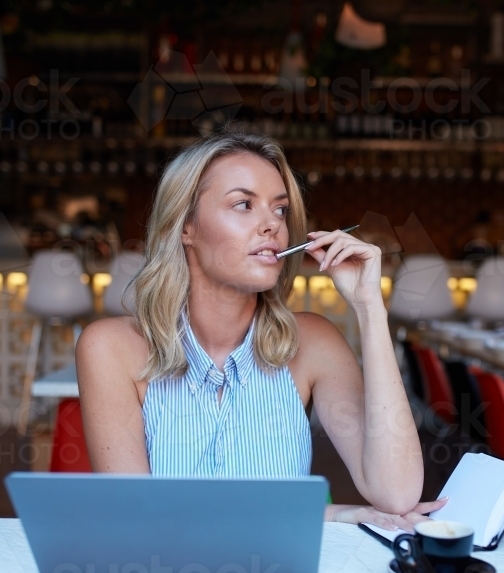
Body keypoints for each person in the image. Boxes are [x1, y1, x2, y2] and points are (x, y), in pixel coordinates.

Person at [76, 126, 446, 530]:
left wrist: (370, 308)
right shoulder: (111, 348)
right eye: (243, 205)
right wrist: (333, 514)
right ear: (187, 227)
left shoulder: (314, 343)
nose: (271, 224)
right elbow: (136, 516)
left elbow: (397, 494)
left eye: (280, 209)